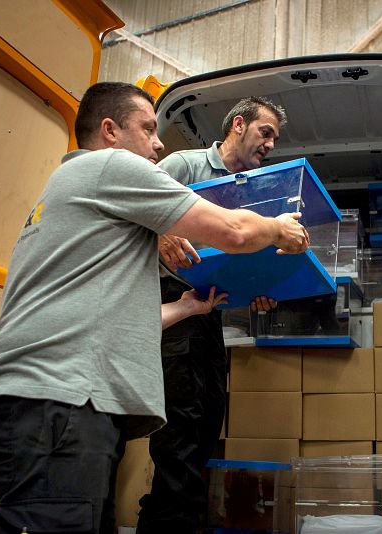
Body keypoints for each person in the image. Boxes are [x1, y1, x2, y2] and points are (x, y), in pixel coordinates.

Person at [0, 82, 308, 533]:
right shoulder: (111, 165)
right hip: (56, 405)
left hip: (38, 408)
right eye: (148, 128)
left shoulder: (69, 189)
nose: (159, 141)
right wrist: (279, 228)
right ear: (109, 131)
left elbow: (109, 312)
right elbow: (233, 233)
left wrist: (185, 309)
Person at [137, 96, 288, 532]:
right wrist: (162, 231)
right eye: (266, 132)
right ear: (238, 125)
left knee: (206, 422)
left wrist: (259, 290)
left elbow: (240, 254)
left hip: (210, 311)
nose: (271, 145)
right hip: (170, 300)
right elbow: (134, 205)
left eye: (275, 137)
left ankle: (177, 519)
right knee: (179, 426)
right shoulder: (185, 165)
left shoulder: (254, 191)